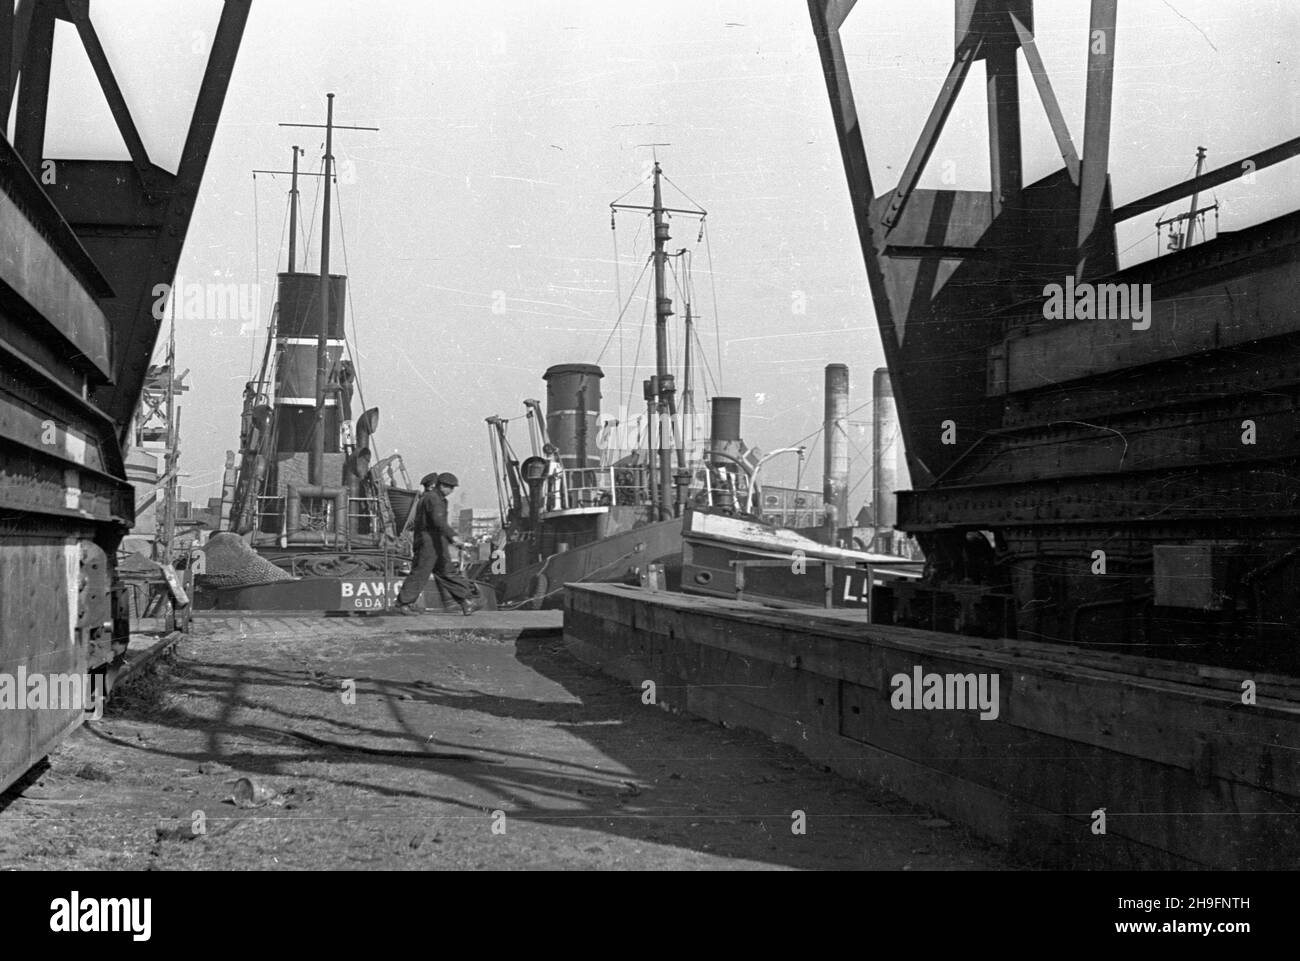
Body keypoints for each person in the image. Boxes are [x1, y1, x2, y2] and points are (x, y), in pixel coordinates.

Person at [393, 472, 477, 616]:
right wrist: (454, 537)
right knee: (422, 573)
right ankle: (404, 603)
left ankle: (466, 601)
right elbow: (438, 521)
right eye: (450, 487)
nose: (452, 491)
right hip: (429, 543)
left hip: (436, 542)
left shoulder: (437, 499)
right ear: (443, 486)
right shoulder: (434, 499)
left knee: (446, 572)